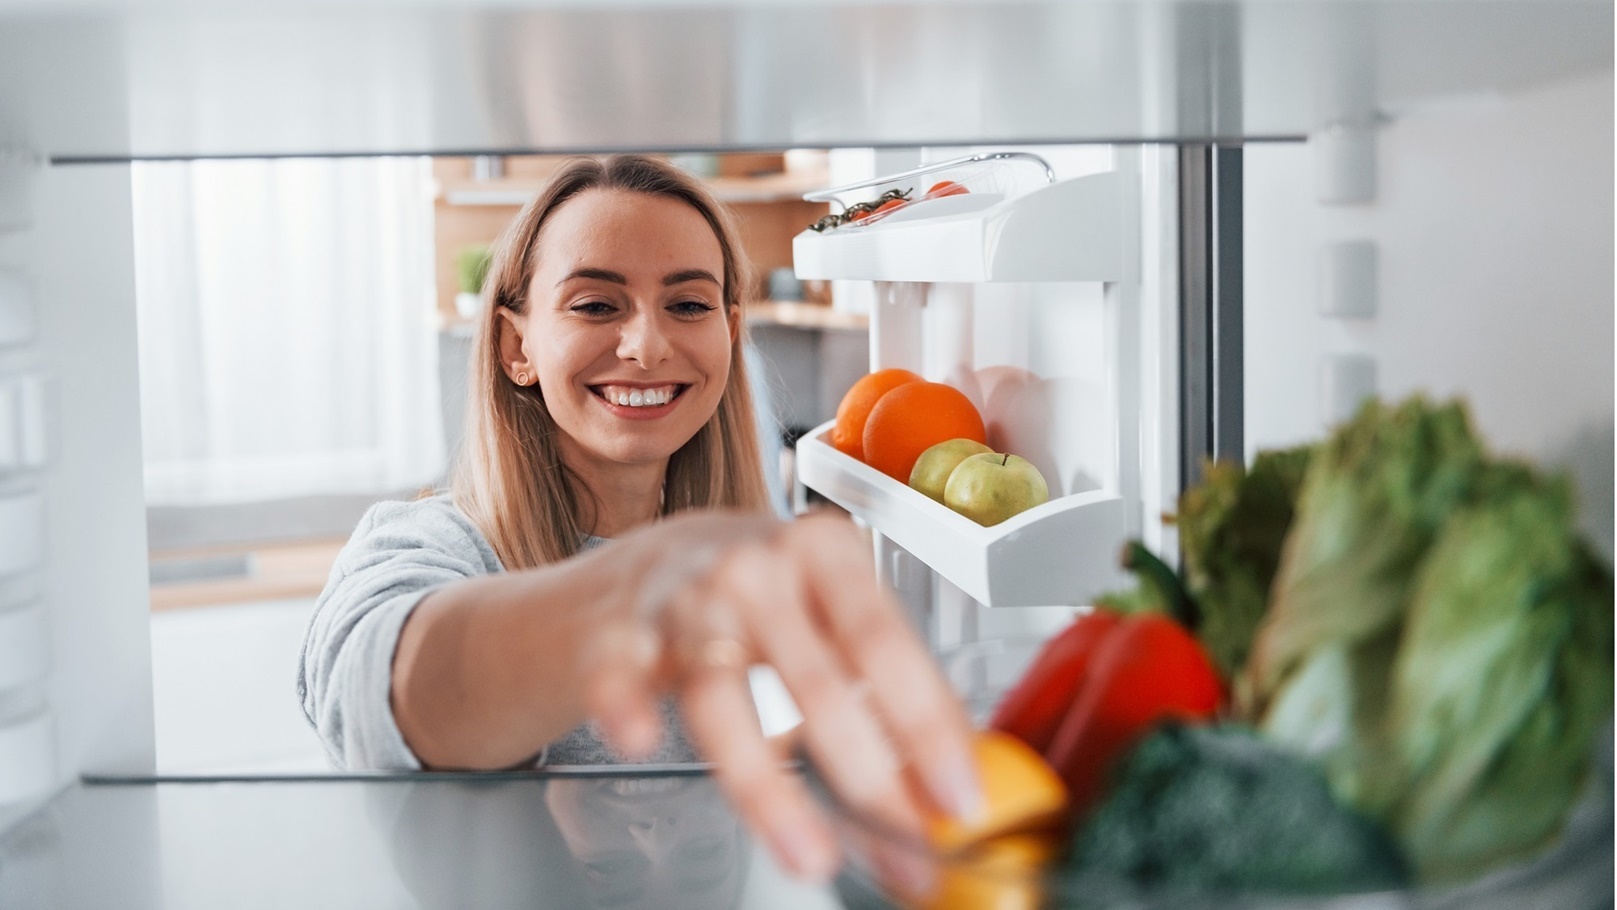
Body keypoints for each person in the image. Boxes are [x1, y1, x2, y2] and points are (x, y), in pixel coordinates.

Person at [298, 154, 981, 883]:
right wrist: (631, 591)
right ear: (515, 345)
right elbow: (379, 690)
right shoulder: (425, 543)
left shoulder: (716, 575)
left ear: (729, 332)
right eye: (595, 305)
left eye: (687, 305)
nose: (647, 347)